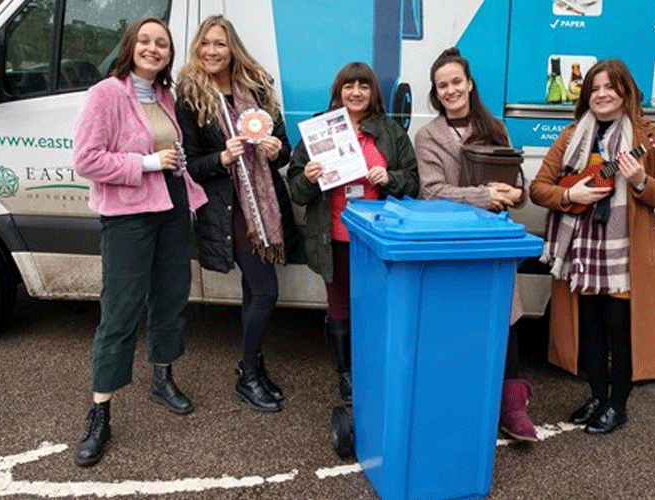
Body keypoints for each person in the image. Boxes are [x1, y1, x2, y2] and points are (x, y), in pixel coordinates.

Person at [72, 17, 208, 466]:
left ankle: (162, 376)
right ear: (130, 46)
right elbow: (86, 160)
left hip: (170, 205)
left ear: (169, 55)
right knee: (121, 310)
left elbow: (168, 151)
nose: (153, 49)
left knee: (171, 296)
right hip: (128, 214)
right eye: (145, 41)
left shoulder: (166, 95)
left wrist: (173, 162)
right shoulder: (106, 94)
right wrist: (147, 162)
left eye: (162, 44)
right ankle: (100, 411)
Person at [529, 59, 655, 434]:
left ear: (626, 92)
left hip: (624, 251)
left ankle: (618, 404)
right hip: (582, 248)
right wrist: (570, 193)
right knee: (591, 325)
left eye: (609, 88)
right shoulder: (571, 137)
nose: (601, 95)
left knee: (619, 326)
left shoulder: (649, 138)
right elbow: (538, 188)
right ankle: (597, 395)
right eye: (594, 89)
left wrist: (642, 179)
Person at [414, 47, 537, 442]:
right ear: (436, 93)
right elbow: (431, 192)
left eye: (456, 82)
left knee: (505, 319)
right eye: (442, 85)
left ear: (469, 84)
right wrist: (484, 196)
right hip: (454, 242)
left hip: (495, 239)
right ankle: (460, 405)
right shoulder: (427, 135)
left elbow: (518, 180)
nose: (451, 90)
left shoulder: (495, 126)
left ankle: (513, 407)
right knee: (459, 324)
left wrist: (519, 195)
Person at [176, 15, 296, 413]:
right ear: (198, 47)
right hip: (230, 210)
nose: (212, 50)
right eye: (206, 43)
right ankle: (248, 374)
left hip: (264, 205)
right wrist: (220, 158)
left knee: (254, 290)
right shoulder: (191, 97)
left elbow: (286, 150)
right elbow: (189, 164)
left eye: (220, 44)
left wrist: (278, 151)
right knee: (266, 291)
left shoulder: (257, 89)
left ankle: (253, 366)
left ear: (233, 50)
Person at [287, 62, 419, 404]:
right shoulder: (319, 132)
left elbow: (414, 184)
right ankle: (346, 375)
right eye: (349, 86)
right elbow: (297, 190)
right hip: (334, 238)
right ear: (338, 91)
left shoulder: (391, 133)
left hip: (377, 240)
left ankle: (374, 367)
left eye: (364, 85)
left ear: (373, 92)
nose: (356, 92)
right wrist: (309, 177)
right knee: (341, 305)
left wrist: (389, 178)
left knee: (376, 305)